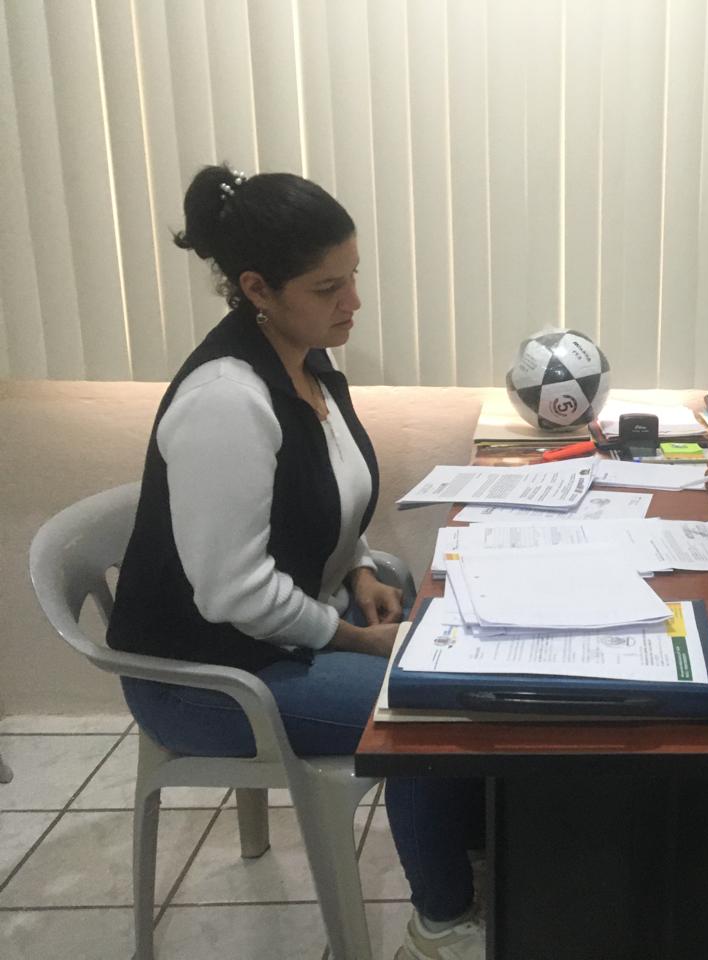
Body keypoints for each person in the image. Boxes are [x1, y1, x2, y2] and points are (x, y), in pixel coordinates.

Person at [107, 164, 483, 960]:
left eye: (354, 277)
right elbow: (233, 593)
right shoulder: (227, 400)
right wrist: (355, 639)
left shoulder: (308, 362)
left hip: (279, 628)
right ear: (257, 288)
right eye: (328, 287)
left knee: (453, 635)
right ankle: (441, 925)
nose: (354, 303)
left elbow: (327, 503)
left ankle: (484, 851)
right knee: (429, 707)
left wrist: (360, 572)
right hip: (205, 676)